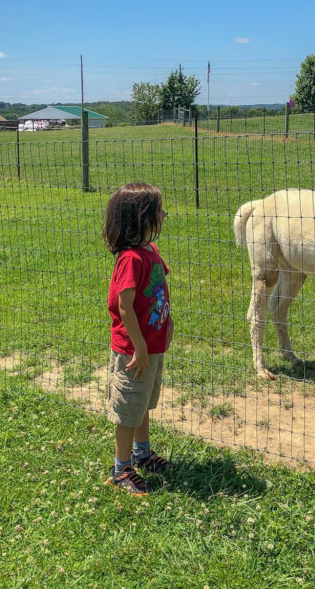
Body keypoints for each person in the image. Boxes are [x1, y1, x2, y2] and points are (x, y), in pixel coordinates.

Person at [102, 182, 175, 495]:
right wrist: (141, 347)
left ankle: (142, 454)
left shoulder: (150, 251)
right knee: (128, 410)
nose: (164, 214)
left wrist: (168, 322)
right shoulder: (131, 258)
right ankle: (120, 469)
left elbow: (159, 290)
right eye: (158, 210)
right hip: (135, 352)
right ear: (141, 218)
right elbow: (124, 305)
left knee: (141, 404)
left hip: (151, 346)